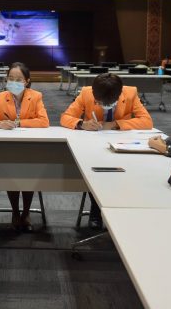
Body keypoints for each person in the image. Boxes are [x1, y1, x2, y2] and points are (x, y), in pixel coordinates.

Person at [61, 72, 153, 229]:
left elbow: (147, 121)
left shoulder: (130, 93)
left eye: (108, 102)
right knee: (95, 173)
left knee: (129, 174)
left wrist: (116, 124)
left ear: (119, 94)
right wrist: (82, 124)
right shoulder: (86, 93)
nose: (103, 104)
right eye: (99, 102)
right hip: (93, 148)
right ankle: (96, 210)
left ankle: (122, 209)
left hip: (122, 146)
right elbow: (65, 117)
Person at [0, 62, 49, 232]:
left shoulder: (36, 96)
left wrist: (18, 123)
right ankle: (15, 212)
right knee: (11, 172)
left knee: (29, 173)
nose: (14, 82)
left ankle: (26, 213)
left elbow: (44, 121)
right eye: (11, 78)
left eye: (18, 79)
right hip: (6, 148)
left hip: (30, 148)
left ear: (27, 81)